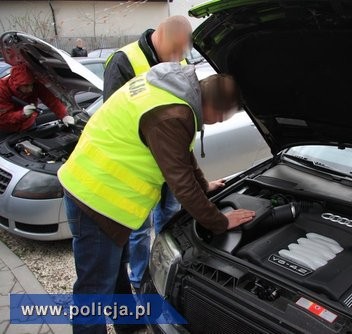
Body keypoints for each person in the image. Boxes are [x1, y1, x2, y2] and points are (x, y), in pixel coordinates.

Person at [58, 62, 255, 334]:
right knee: (94, 290)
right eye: (221, 117)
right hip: (95, 199)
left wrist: (205, 186)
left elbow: (182, 156)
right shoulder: (172, 114)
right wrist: (219, 221)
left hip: (99, 191)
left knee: (114, 274)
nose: (218, 122)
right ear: (211, 105)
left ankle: (129, 326)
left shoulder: (175, 91)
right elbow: (181, 184)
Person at [104, 15, 192, 290]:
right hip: (140, 169)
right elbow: (114, 120)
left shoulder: (181, 60)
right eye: (175, 50)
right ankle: (140, 279)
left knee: (170, 217)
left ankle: (164, 271)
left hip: (172, 164)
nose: (178, 58)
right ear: (161, 37)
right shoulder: (123, 61)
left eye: (182, 51)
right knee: (139, 229)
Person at [0, 63, 74, 136]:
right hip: (6, 129)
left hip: (28, 125)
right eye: (26, 86)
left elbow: (52, 101)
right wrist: (22, 114)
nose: (30, 89)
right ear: (15, 83)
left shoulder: (36, 84)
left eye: (31, 85)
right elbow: (3, 118)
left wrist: (64, 115)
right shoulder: (2, 90)